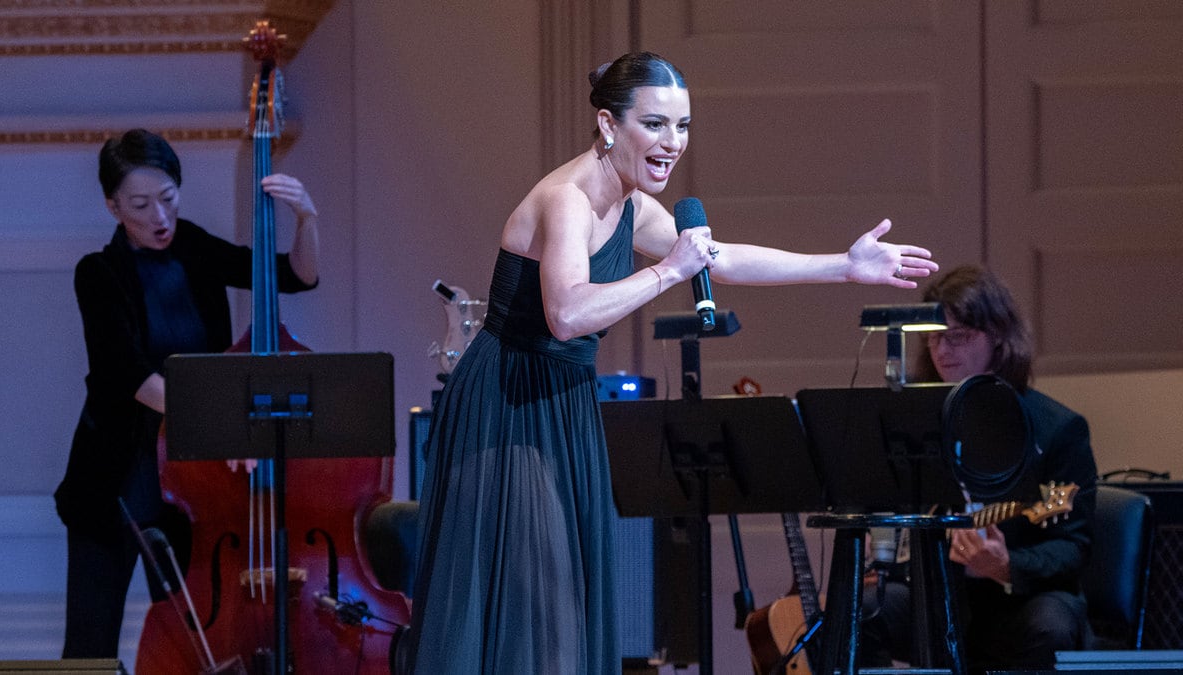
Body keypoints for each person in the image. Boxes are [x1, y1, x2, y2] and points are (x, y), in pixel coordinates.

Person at [399, 51, 939, 674]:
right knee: (528, 602)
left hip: (562, 400)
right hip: (507, 404)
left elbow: (723, 259)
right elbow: (567, 314)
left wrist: (842, 266)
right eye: (655, 124)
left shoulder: (632, 205)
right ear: (607, 125)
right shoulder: (567, 200)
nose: (673, 142)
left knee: (561, 602)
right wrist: (667, 271)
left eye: (682, 126)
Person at [53, 128, 320, 658]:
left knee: (189, 643)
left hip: (188, 483)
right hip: (114, 482)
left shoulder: (193, 246)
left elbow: (294, 276)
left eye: (168, 199)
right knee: (89, 647)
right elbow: (135, 379)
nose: (159, 217)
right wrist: (220, 424)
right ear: (113, 207)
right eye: (140, 204)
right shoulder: (98, 274)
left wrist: (308, 217)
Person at [861, 264, 1099, 673]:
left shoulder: (1059, 429)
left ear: (998, 339)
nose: (942, 350)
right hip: (938, 594)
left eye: (959, 336)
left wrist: (1006, 565)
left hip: (1018, 601)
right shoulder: (914, 423)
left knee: (1050, 626)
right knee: (861, 612)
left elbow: (1071, 546)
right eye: (933, 336)